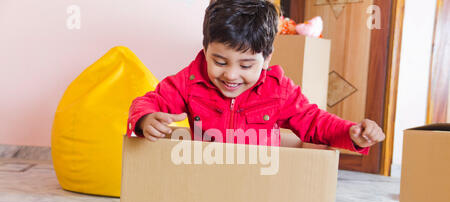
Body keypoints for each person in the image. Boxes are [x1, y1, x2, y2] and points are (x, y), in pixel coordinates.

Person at [126, 0, 385, 152]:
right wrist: (145, 119)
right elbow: (148, 101)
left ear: (267, 58)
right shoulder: (190, 80)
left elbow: (315, 123)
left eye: (247, 65)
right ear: (205, 50)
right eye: (219, 61)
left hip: (258, 181)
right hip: (203, 178)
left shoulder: (278, 90)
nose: (231, 75)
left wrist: (351, 132)